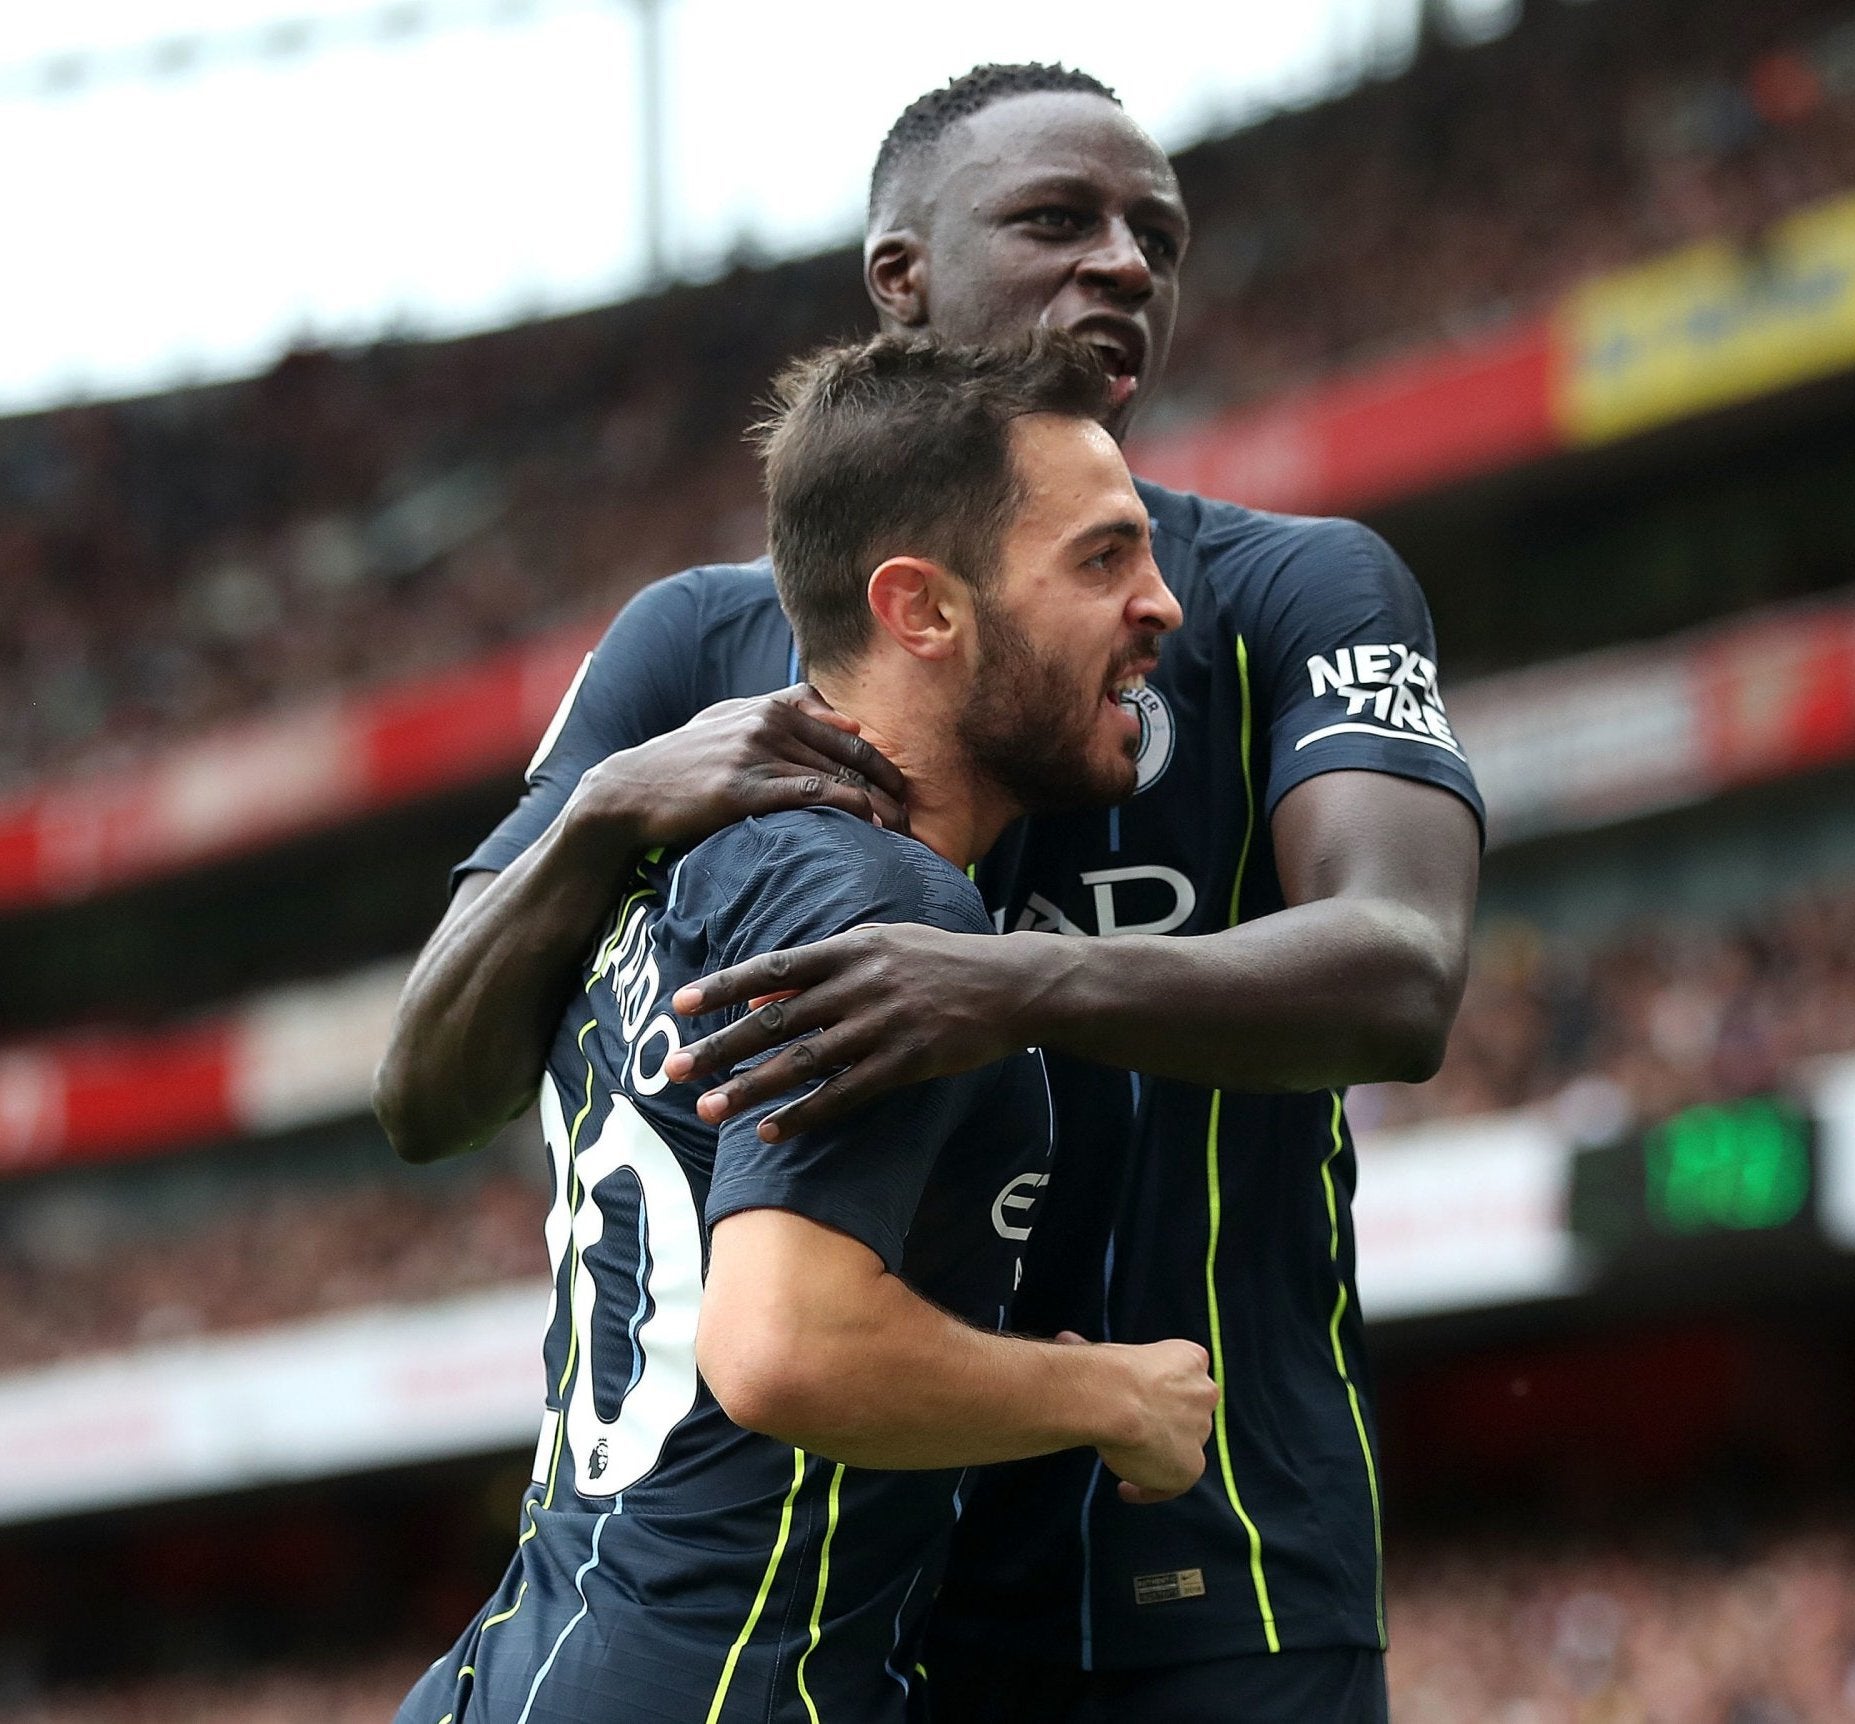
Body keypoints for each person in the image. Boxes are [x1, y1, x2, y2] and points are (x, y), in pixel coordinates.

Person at [376, 62, 1483, 1724]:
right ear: (899, 280)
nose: (1123, 263)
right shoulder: (689, 648)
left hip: (1211, 1564)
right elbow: (425, 1088)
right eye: (1057, 220)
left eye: (1154, 237)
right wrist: (606, 811)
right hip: (848, 1606)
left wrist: (1005, 984)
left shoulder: (1283, 593)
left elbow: (1399, 975)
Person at [392, 333, 1215, 1724]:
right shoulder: (877, 900)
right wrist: (1107, 1397)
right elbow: (785, 1348)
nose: (1163, 607)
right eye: (1099, 560)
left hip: (536, 1654)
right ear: (923, 609)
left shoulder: (715, 859)